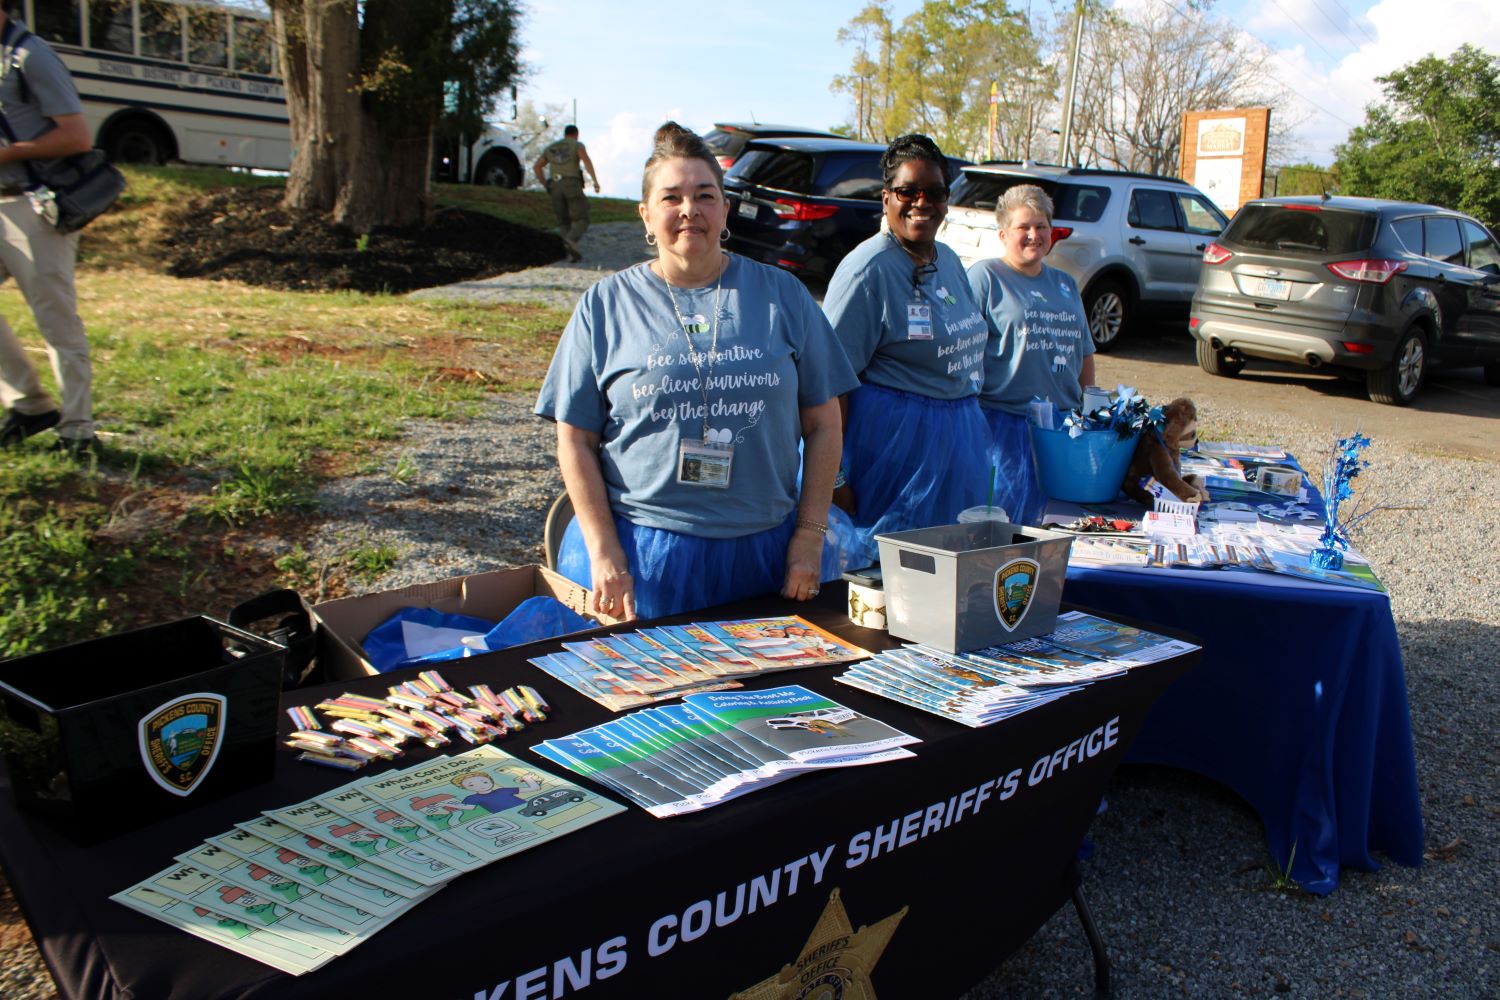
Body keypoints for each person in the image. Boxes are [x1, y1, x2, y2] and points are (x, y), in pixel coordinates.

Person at [536, 122, 859, 621]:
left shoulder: (784, 296)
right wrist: (603, 549)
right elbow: (575, 438)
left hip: (765, 552)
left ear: (725, 209)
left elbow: (824, 424)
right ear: (646, 215)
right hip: (644, 557)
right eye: (671, 197)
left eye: (705, 195)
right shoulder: (604, 306)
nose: (690, 209)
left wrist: (810, 535)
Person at [823, 134, 991, 558]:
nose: (922, 202)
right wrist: (834, 477)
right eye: (907, 192)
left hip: (954, 448)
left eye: (934, 192)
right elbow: (828, 383)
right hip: (892, 455)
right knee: (892, 570)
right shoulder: (867, 271)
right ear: (886, 198)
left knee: (948, 566)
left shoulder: (948, 260)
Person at [968, 184, 1097, 525]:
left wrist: (1088, 412)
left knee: (1054, 524)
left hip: (1061, 428)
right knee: (1001, 527)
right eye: (1023, 227)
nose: (1033, 235)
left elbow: (1084, 353)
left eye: (1041, 226)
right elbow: (963, 351)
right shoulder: (985, 277)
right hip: (1002, 427)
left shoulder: (1066, 284)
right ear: (1003, 233)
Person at [0, 4, 97, 456]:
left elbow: (77, 136)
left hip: (33, 204)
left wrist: (8, 153)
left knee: (55, 319)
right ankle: (29, 404)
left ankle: (78, 430)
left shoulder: (30, 56)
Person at [532, 124, 601, 262]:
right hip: (572, 183)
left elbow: (537, 166)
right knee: (582, 218)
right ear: (576, 134)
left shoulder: (551, 147)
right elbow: (586, 160)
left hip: (555, 185)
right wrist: (595, 181)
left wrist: (546, 184)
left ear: (564, 134)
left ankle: (568, 253)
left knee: (563, 221)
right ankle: (571, 240)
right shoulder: (576, 145)